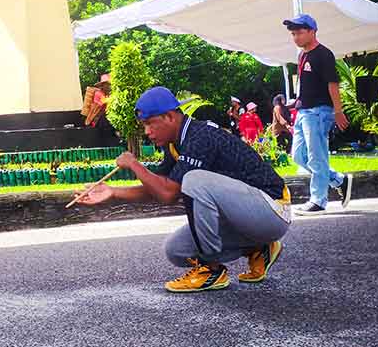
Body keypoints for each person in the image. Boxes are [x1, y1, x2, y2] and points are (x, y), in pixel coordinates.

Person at [75, 87, 291, 293]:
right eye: (143, 126)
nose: (147, 132)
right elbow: (161, 187)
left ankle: (211, 270)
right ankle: (259, 248)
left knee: (194, 180)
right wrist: (113, 192)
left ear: (169, 116)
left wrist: (134, 165)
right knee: (177, 250)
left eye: (150, 123)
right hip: (249, 217)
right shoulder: (175, 143)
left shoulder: (200, 136)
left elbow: (169, 194)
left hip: (272, 209)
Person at [285, 14, 352, 213]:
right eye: (293, 34)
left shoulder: (324, 54)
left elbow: (333, 83)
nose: (295, 37)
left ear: (312, 31)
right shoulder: (302, 55)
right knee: (298, 156)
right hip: (303, 111)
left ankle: (318, 200)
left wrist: (338, 111)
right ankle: (339, 180)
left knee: (317, 157)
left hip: (319, 111)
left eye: (299, 32)